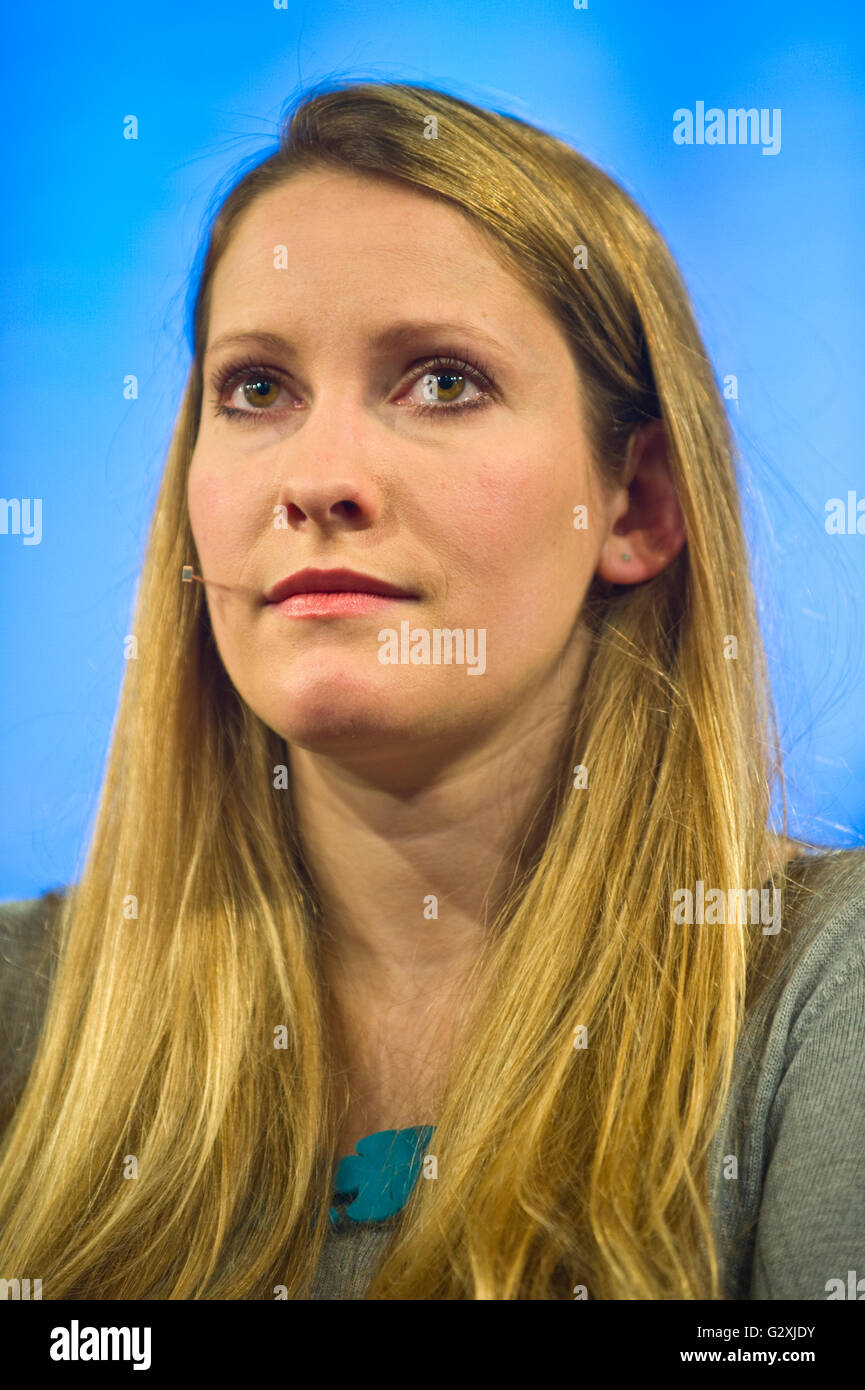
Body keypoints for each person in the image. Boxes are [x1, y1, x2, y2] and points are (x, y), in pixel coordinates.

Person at [1, 80, 863, 1301]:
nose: (318, 477)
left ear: (638, 506)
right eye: (257, 389)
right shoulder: (18, 1009)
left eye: (441, 381)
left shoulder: (830, 989)